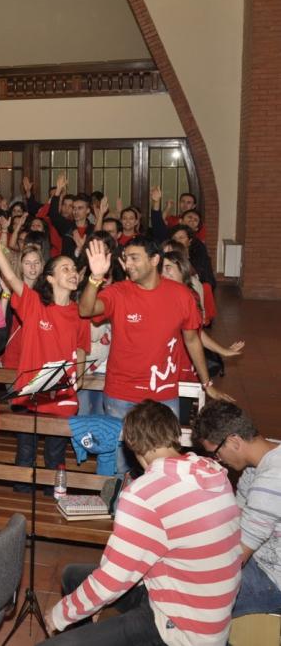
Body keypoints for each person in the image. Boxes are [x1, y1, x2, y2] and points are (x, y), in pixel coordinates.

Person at [44, 400, 241, 646]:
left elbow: (112, 580)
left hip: (182, 629)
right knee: (73, 575)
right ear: (175, 434)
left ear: (131, 443)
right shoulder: (211, 471)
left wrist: (60, 615)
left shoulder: (144, 495)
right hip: (204, 609)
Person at [80, 236, 229, 474]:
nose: (128, 264)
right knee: (119, 461)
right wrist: (95, 277)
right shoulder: (118, 292)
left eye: (134, 257)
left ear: (154, 259)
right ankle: (119, 507)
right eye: (126, 258)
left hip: (162, 393)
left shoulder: (181, 295)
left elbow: (192, 340)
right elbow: (85, 309)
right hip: (121, 392)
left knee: (166, 462)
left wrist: (206, 382)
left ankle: (161, 506)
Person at [0, 220, 88, 482]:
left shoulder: (81, 312)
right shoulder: (35, 305)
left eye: (74, 269)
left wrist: (77, 379)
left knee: (55, 460)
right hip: (31, 396)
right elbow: (12, 277)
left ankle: (50, 511)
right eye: (64, 268)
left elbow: (81, 350)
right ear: (50, 277)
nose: (72, 272)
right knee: (25, 455)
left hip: (62, 396)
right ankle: (21, 508)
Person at [194, 401, 281, 617]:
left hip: (271, 579)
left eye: (216, 453)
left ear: (233, 441)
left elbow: (238, 555)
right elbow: (233, 523)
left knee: (193, 603)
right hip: (256, 561)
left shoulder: (272, 479)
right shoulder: (261, 461)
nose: (219, 461)